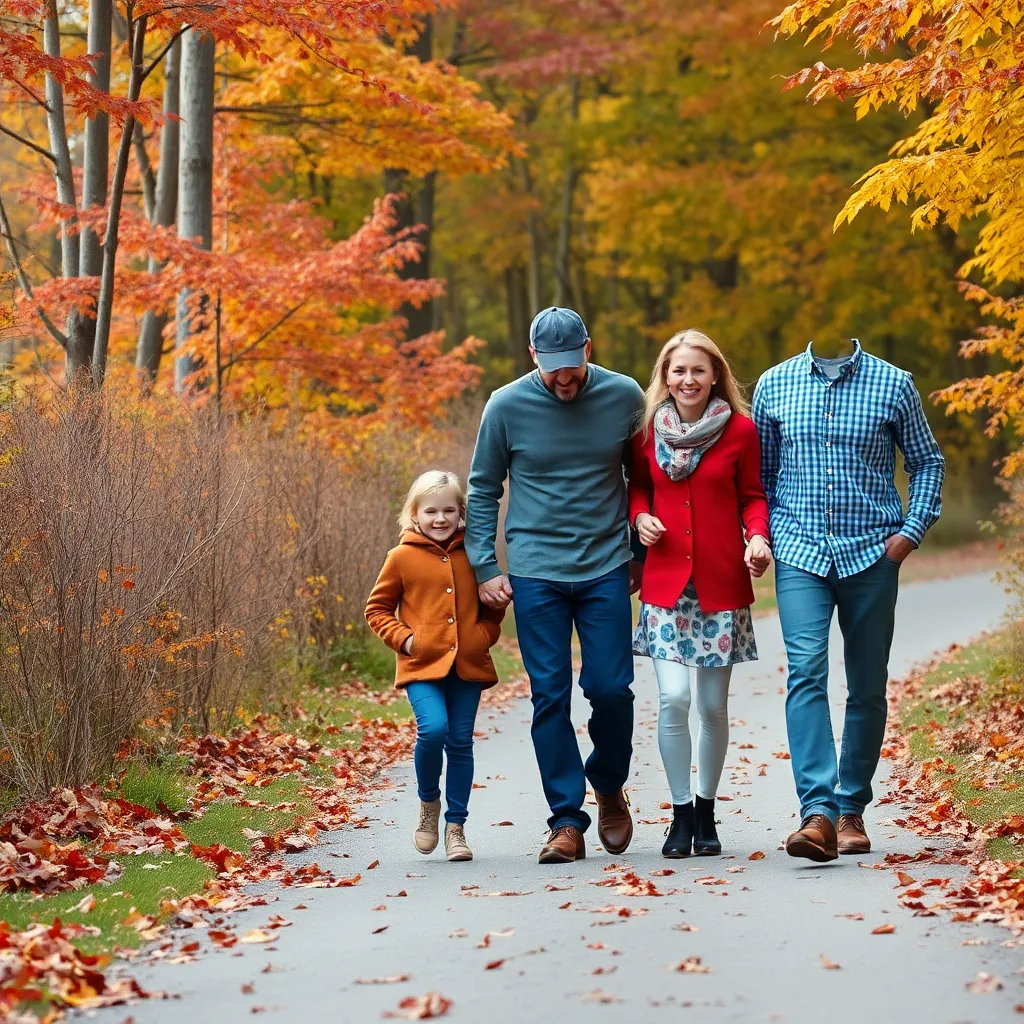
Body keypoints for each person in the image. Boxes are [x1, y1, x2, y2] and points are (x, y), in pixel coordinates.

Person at [465, 306, 646, 864]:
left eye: (572, 364)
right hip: (536, 569)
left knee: (611, 689)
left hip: (606, 563)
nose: (564, 377)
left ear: (588, 349)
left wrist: (640, 554)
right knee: (549, 695)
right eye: (552, 367)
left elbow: (644, 479)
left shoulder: (625, 396)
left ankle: (609, 785)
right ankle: (566, 820)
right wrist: (484, 566)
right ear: (533, 357)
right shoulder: (506, 405)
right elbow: (482, 489)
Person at [752, 338, 944, 862]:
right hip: (800, 552)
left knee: (867, 683)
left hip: (872, 554)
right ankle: (818, 812)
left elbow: (927, 462)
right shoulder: (774, 384)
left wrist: (909, 533)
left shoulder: (895, 383)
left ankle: (851, 807)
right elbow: (761, 477)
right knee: (806, 672)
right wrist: (763, 534)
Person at [629, 329, 771, 858]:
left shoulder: (740, 431)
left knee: (711, 706)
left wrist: (757, 537)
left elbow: (752, 495)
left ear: (715, 377)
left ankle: (707, 813)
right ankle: (680, 813)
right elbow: (639, 487)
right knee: (674, 698)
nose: (688, 379)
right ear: (665, 377)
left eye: (698, 370)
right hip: (666, 586)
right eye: (679, 370)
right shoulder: (648, 432)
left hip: (719, 583)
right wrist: (640, 517)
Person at [364, 470, 504, 863]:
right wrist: (407, 640)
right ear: (414, 514)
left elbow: (493, 607)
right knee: (433, 729)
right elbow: (376, 610)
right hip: (422, 664)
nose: (440, 518)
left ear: (461, 513)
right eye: (430, 511)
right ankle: (429, 804)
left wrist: (482, 636)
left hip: (467, 664)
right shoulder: (401, 557)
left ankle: (456, 828)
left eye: (448, 510)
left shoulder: (475, 554)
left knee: (460, 742)